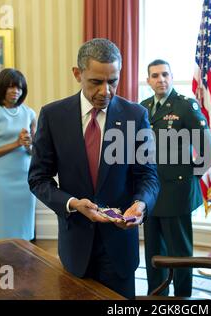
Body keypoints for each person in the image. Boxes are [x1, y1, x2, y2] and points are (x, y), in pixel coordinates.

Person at [28, 38, 159, 299]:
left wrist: (141, 205)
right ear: (78, 74)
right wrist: (72, 203)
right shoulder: (53, 116)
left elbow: (148, 176)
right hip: (75, 248)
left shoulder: (135, 115)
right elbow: (38, 179)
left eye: (113, 81)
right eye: (96, 82)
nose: (106, 91)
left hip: (120, 249)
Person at [140, 59, 211, 297]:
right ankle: (157, 294)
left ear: (171, 77)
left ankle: (183, 296)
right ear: (148, 80)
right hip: (150, 191)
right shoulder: (143, 107)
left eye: (165, 74)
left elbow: (207, 148)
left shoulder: (185, 106)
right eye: (155, 75)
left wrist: (189, 176)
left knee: (179, 251)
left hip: (177, 190)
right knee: (153, 248)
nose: (161, 79)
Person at [0, 68, 36, 241]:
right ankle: (2, 267)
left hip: (25, 180)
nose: (15, 91)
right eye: (11, 87)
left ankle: (23, 267)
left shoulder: (29, 113)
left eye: (19, 88)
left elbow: (36, 151)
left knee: (24, 231)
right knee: (1, 232)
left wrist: (28, 144)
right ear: (2, 88)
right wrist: (15, 144)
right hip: (0, 181)